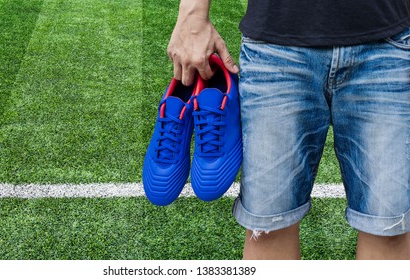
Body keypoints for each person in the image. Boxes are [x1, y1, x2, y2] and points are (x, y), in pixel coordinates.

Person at [167, 0, 410, 259]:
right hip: (275, 45)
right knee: (268, 226)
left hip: (387, 41)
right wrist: (192, 14)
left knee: (390, 228)